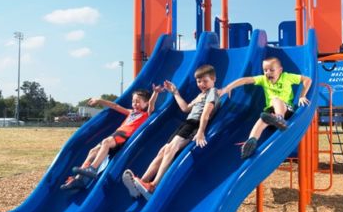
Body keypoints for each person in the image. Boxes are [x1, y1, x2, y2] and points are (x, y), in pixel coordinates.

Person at [122, 64, 220, 200]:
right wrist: (175, 92)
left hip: (194, 124)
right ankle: (141, 183)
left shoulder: (212, 92)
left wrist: (201, 132)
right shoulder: (200, 95)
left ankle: (153, 185)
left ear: (213, 79)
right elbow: (186, 108)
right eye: (199, 81)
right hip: (187, 123)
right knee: (163, 150)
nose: (201, 84)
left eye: (205, 81)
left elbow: (206, 114)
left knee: (171, 149)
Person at [60, 86, 162, 191]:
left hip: (123, 137)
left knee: (106, 142)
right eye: (133, 101)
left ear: (145, 103)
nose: (134, 104)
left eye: (138, 102)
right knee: (93, 151)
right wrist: (99, 100)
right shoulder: (131, 112)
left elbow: (151, 104)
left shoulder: (146, 115)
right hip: (116, 134)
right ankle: (79, 179)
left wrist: (155, 93)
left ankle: (93, 168)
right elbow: (115, 106)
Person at [219, 56, 312, 159]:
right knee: (262, 119)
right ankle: (251, 141)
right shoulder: (263, 79)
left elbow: (307, 80)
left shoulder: (287, 77)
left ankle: (279, 119)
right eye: (265, 70)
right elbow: (245, 80)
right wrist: (227, 88)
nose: (268, 73)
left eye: (272, 70)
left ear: (280, 70)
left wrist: (302, 95)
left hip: (287, 110)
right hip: (271, 115)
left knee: (276, 100)